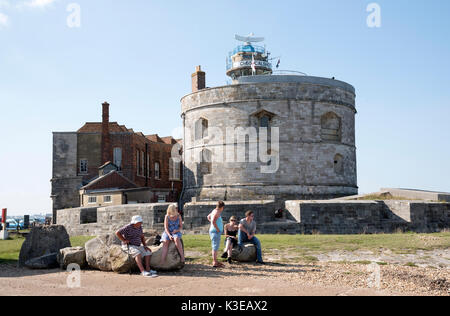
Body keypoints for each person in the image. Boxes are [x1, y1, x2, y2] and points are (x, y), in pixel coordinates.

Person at [207, 201, 225, 268]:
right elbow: (214, 221)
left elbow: (208, 217)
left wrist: (212, 223)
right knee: (215, 247)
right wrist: (217, 229)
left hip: (213, 230)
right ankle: (214, 262)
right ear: (222, 207)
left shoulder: (214, 210)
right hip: (215, 231)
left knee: (215, 246)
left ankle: (215, 261)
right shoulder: (217, 212)